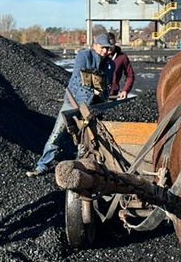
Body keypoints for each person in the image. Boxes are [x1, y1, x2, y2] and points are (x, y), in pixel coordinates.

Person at [26, 33, 114, 177]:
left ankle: (85, 168)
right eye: (103, 47)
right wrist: (93, 89)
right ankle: (43, 165)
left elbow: (108, 84)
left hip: (95, 107)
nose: (105, 51)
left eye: (108, 48)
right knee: (57, 135)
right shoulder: (84, 55)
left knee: (90, 139)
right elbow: (78, 77)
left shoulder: (110, 64)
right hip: (74, 101)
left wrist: (103, 94)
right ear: (95, 44)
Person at [107, 32, 135, 100]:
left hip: (113, 95)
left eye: (112, 44)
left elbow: (130, 75)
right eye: (107, 45)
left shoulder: (122, 57)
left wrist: (125, 90)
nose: (110, 47)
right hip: (98, 97)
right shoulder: (99, 57)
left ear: (115, 43)